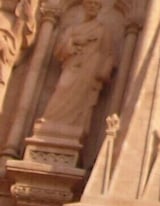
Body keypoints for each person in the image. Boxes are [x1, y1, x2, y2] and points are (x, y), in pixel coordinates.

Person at [36, 0, 113, 139]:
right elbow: (60, 50)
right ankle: (50, 122)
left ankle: (74, 128)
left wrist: (102, 72)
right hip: (72, 66)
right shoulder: (72, 29)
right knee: (62, 88)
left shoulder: (102, 30)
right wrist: (76, 42)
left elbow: (108, 54)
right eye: (89, 4)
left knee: (81, 100)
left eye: (96, 5)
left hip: (89, 69)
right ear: (84, 6)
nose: (92, 8)